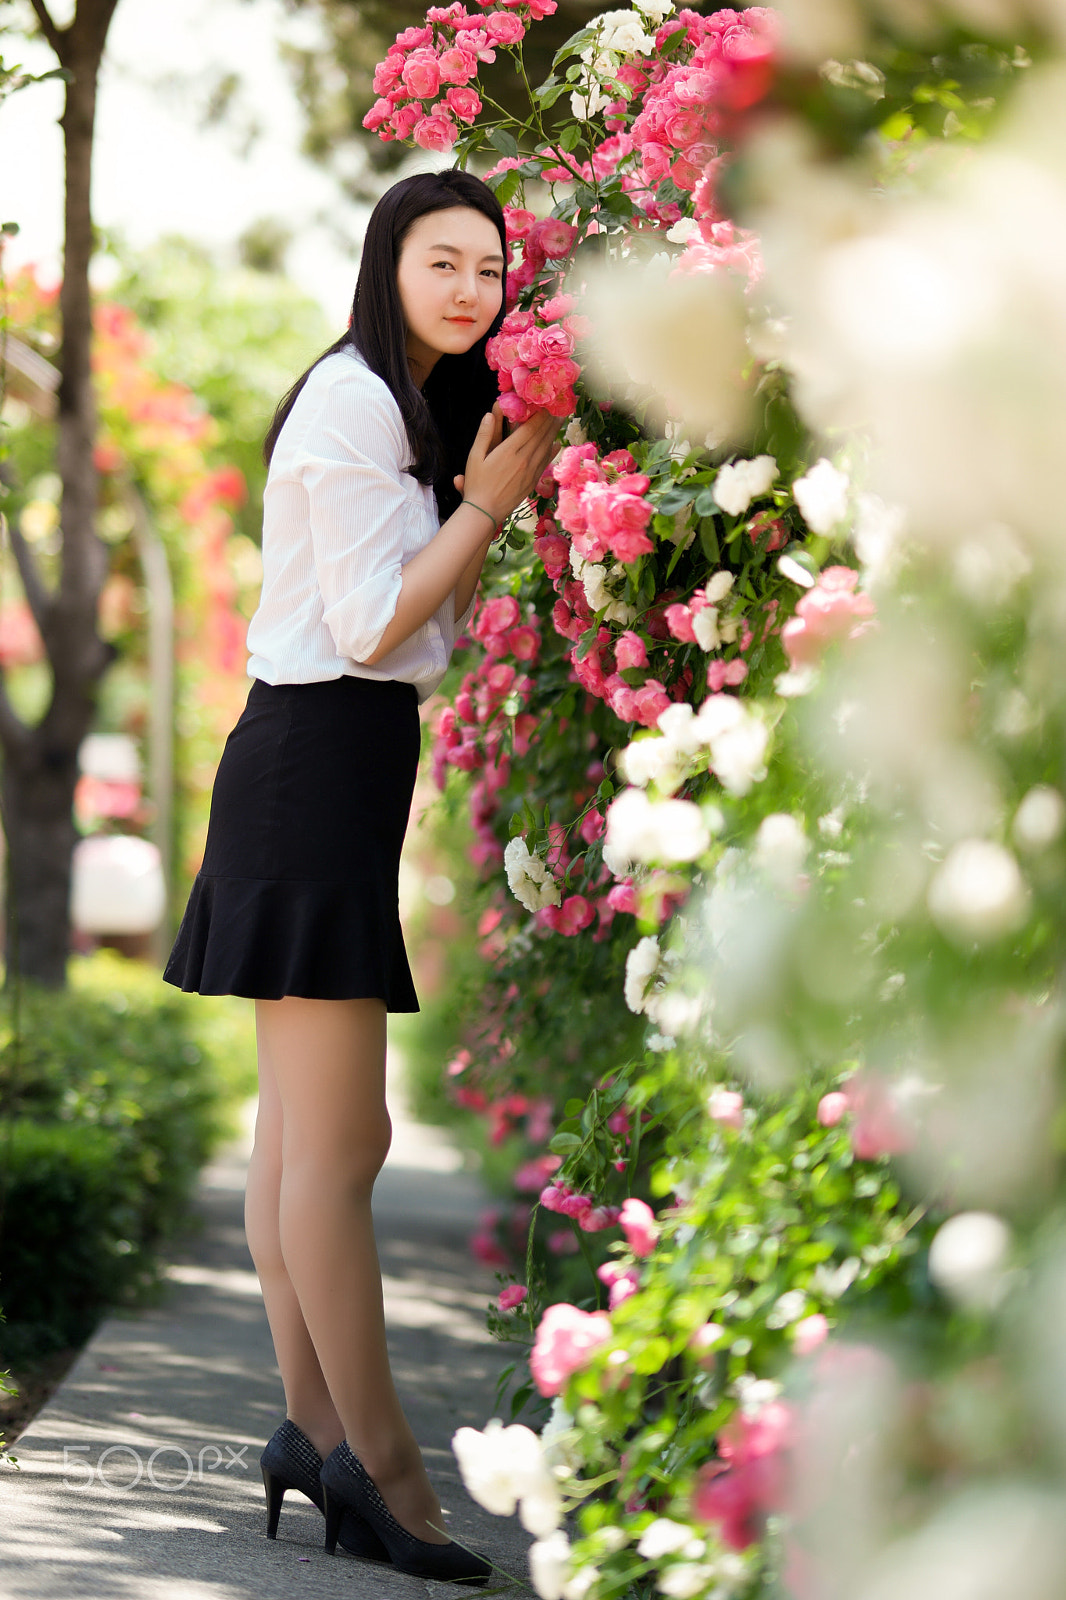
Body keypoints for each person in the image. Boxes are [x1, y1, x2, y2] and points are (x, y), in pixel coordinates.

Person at [163, 168, 559, 1580]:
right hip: (313, 761)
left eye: (488, 268)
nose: (468, 287)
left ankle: (310, 1431)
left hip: (317, 765)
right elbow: (370, 622)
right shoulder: (351, 400)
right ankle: (382, 1473)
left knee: (301, 1147)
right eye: (439, 259)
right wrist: (489, 510)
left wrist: (469, 494)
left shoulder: (385, 406)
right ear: (385, 264)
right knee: (337, 1154)